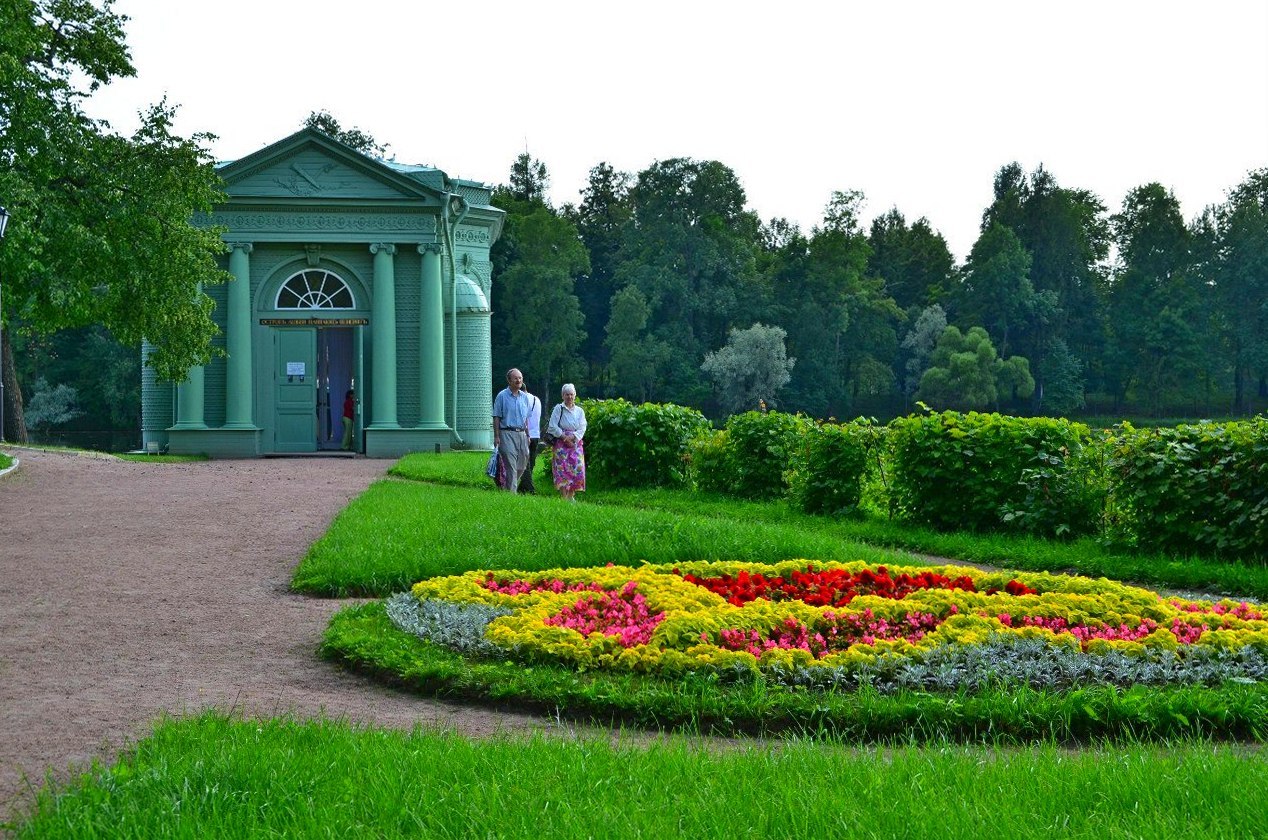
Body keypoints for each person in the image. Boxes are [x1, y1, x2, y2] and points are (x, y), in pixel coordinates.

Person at [492, 368, 533, 494]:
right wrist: (496, 436)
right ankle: (512, 494)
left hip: (522, 434)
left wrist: (528, 434)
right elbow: (496, 417)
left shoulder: (525, 397)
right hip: (506, 433)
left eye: (520, 378)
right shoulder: (502, 396)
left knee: (522, 464)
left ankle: (507, 486)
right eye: (515, 378)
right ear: (509, 381)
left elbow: (526, 418)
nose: (518, 380)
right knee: (511, 465)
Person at [546, 383, 587, 502]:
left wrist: (574, 438)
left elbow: (583, 426)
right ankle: (564, 497)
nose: (569, 397)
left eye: (571, 394)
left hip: (575, 443)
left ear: (575, 395)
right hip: (561, 443)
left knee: (577, 468)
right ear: (562, 396)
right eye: (566, 394)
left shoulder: (579, 411)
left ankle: (571, 495)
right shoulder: (559, 408)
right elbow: (552, 426)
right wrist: (564, 437)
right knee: (562, 469)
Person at [518, 385, 543, 494]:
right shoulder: (536, 399)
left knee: (524, 463)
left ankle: (529, 488)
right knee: (531, 463)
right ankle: (522, 488)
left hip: (525, 434)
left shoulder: (521, 399)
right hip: (536, 435)